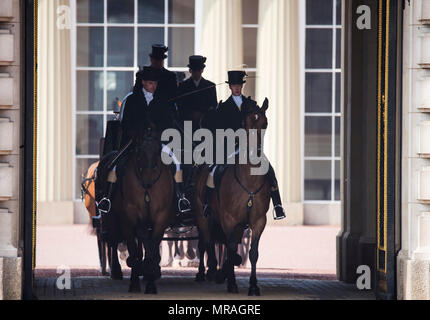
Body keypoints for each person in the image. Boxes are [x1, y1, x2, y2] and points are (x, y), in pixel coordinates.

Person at [97, 66, 191, 214]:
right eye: (149, 83)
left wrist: (159, 133)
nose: (153, 86)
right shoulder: (133, 100)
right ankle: (107, 198)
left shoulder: (162, 101)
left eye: (155, 83)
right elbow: (126, 122)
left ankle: (180, 197)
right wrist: (136, 133)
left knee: (177, 163)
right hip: (135, 141)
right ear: (143, 82)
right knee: (114, 164)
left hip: (158, 142)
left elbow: (168, 122)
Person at [202, 70, 286, 220]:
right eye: (234, 85)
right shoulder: (223, 107)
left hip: (251, 148)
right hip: (231, 148)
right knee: (214, 171)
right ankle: (208, 204)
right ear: (230, 87)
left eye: (239, 85)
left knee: (269, 170)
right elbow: (219, 128)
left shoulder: (251, 105)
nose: (236, 88)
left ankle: (278, 205)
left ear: (242, 86)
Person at [176, 55, 218, 130]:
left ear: (202, 70)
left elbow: (214, 105)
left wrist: (202, 114)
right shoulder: (183, 86)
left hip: (205, 125)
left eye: (198, 70)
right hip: (187, 125)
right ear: (190, 71)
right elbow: (180, 106)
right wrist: (191, 114)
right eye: (194, 70)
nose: (196, 73)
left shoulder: (210, 86)